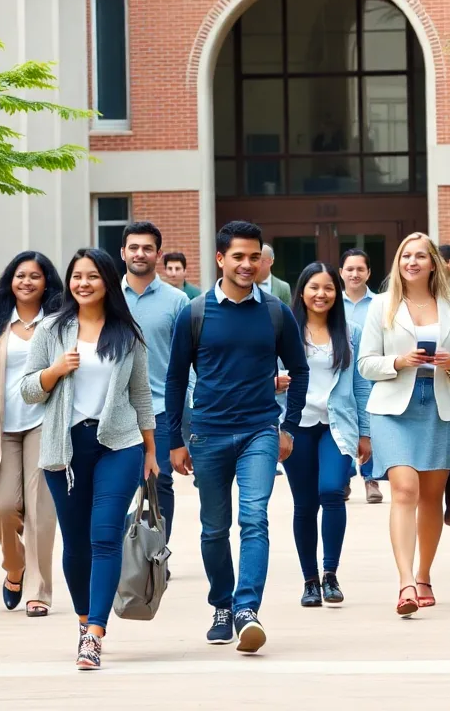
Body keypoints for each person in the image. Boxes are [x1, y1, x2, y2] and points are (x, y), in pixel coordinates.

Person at [165, 220, 309, 653]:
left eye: (254, 257)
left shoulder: (275, 312)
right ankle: (222, 606)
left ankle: (247, 609)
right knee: (213, 529)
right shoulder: (195, 313)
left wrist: (290, 426)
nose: (247, 264)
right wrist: (175, 440)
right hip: (207, 434)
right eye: (239, 257)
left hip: (259, 432)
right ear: (220, 259)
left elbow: (300, 371)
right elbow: (175, 380)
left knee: (254, 519)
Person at [21, 247, 160, 670]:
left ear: (108, 281)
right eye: (77, 276)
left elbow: (141, 396)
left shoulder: (128, 334)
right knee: (76, 540)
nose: (83, 283)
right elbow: (29, 390)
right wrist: (55, 370)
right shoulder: (50, 330)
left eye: (93, 276)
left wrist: (151, 451)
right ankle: (83, 621)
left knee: (104, 535)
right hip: (64, 450)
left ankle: (96, 632)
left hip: (119, 444)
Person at [357, 233, 450, 616]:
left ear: (433, 264)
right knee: (404, 490)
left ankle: (424, 575)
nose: (412, 261)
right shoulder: (382, 306)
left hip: (440, 407)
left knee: (430, 497)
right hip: (393, 409)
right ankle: (405, 582)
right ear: (398, 262)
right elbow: (365, 364)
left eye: (420, 256)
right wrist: (399, 362)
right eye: (405, 255)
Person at [0, 251, 64, 617]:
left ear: (45, 282)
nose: (27, 281)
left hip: (44, 423)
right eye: (20, 275)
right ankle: (15, 565)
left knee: (41, 512)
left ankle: (39, 591)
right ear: (11, 279)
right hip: (0, 427)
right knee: (2, 507)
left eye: (35, 276)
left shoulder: (56, 322)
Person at [284, 263, 371, 607]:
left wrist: (366, 432)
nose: (321, 294)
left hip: (338, 424)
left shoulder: (351, 332)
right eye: (314, 288)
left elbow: (362, 384)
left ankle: (330, 574)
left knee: (332, 490)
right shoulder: (286, 329)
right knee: (305, 504)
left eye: (329, 289)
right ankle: (310, 581)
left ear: (337, 293)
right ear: (302, 291)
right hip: (296, 426)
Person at [121, 221, 190, 542]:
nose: (140, 253)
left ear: (158, 254)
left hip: (161, 408)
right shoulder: (107, 297)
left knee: (159, 482)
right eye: (133, 247)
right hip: (115, 409)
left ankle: (157, 552)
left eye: (147, 248)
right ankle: (122, 551)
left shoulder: (178, 302)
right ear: (123, 252)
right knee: (121, 483)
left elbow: (191, 360)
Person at [340, 248, 382, 504]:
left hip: (374, 376)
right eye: (350, 269)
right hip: (343, 376)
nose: (355, 274)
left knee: (372, 428)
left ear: (368, 273)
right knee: (343, 425)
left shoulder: (380, 304)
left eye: (360, 269)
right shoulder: (333, 305)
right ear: (341, 272)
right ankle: (343, 478)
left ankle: (371, 479)